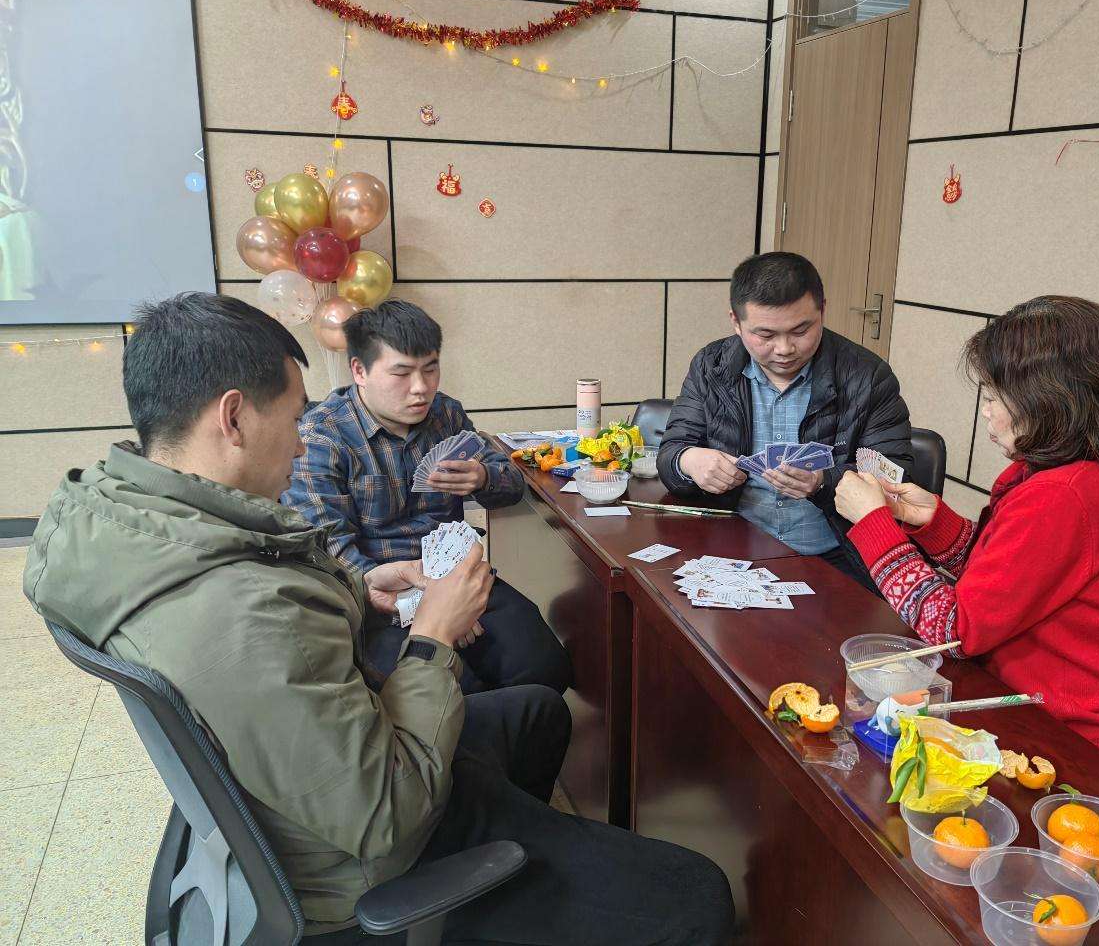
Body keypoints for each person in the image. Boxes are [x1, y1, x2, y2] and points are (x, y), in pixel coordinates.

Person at [22, 293, 733, 944]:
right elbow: (387, 817)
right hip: (368, 854)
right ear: (233, 418)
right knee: (697, 894)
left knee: (538, 708)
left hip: (346, 751)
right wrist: (433, 638)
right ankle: (488, 882)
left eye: (431, 369)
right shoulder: (240, 611)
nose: (300, 442)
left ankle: (524, 868)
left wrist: (365, 585)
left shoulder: (149, 527)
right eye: (292, 419)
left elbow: (481, 489)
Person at [834, 296, 1099, 786]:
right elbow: (1015, 581)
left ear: (1048, 401)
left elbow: (954, 630)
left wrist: (873, 526)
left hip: (1088, 753)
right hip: (1067, 724)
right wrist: (932, 522)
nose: (987, 413)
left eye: (995, 398)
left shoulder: (1063, 494)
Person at [283, 300, 571, 695]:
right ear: (359, 371)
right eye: (401, 373)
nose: (421, 388)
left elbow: (511, 486)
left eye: (430, 369)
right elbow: (329, 550)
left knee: (546, 667)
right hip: (380, 601)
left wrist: (483, 477)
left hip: (457, 576)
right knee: (455, 699)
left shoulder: (445, 415)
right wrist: (429, 608)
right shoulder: (321, 437)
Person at [657, 251, 913, 591]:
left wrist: (824, 483)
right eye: (765, 335)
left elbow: (894, 474)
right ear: (736, 322)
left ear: (823, 310)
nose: (784, 349)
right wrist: (689, 460)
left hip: (835, 554)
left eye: (801, 330)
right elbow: (672, 451)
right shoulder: (711, 365)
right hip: (732, 547)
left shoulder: (867, 376)